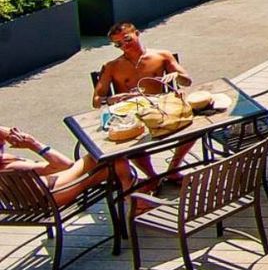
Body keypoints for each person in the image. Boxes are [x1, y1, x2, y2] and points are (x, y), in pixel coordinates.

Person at [92, 22, 194, 184]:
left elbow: (187, 81)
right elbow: (96, 101)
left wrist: (176, 75)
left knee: (193, 127)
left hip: (161, 110)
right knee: (128, 144)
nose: (125, 46)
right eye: (118, 44)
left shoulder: (162, 56)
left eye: (127, 40)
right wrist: (109, 99)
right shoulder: (112, 66)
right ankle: (152, 177)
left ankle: (174, 168)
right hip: (132, 115)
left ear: (137, 33)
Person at [0, 126, 110, 205]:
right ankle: (127, 204)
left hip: (43, 198)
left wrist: (9, 134)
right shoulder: (10, 166)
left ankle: (127, 204)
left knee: (113, 166)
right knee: (98, 158)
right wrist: (34, 145)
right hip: (53, 194)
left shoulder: (5, 166)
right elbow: (66, 165)